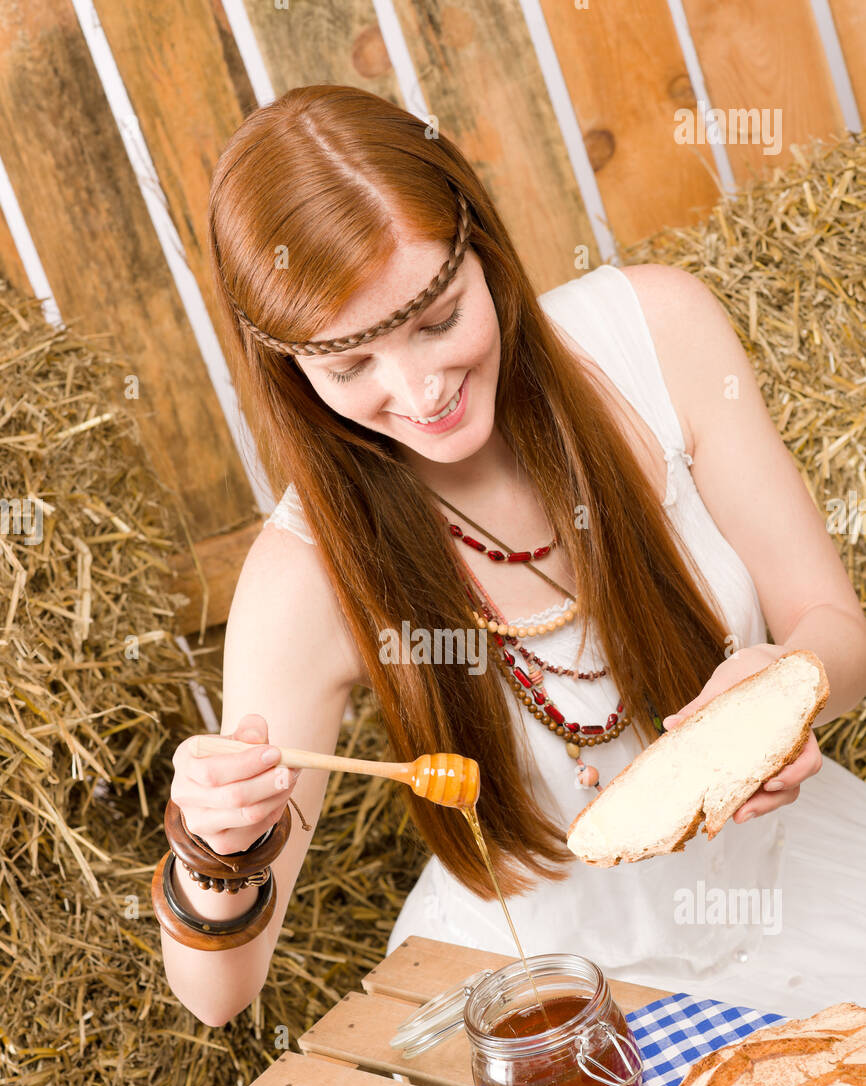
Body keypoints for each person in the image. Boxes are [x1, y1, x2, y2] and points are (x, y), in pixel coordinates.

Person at [158, 85, 866, 1027]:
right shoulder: (302, 576)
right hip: (546, 988)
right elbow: (217, 996)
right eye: (349, 366)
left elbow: (839, 632)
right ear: (291, 368)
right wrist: (216, 849)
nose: (420, 392)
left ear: (481, 251)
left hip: (801, 894)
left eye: (438, 319)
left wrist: (791, 681)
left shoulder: (660, 333)